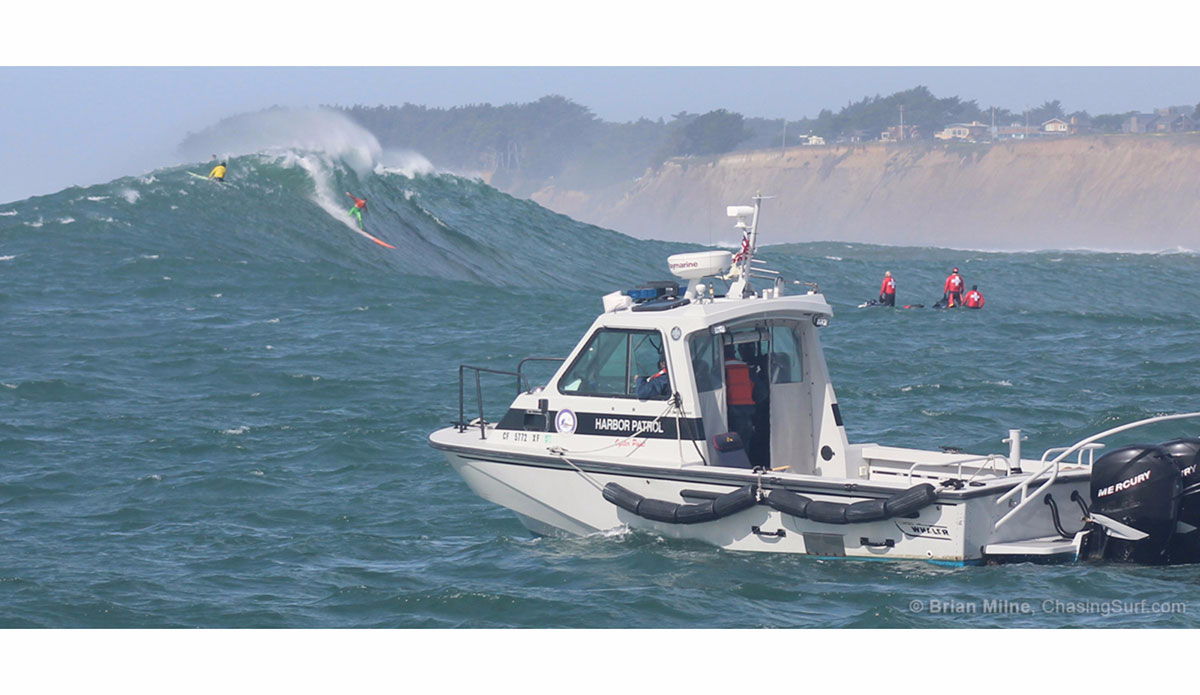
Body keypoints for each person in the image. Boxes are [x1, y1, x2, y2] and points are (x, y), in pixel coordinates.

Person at [724, 345, 756, 448]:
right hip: (747, 410)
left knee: (732, 441)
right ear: (734, 351)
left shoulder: (720, 368)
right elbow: (762, 392)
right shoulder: (745, 367)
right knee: (745, 440)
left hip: (731, 410)